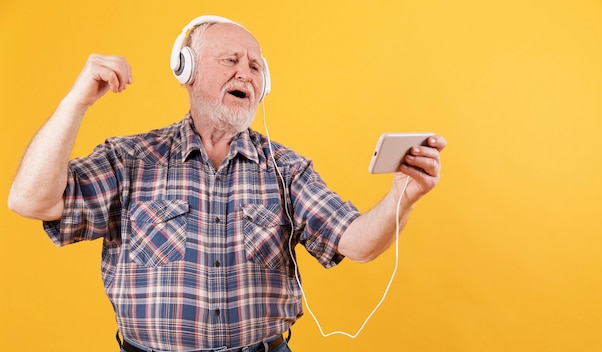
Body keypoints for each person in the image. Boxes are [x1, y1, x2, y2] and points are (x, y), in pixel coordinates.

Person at [8, 15, 446, 352]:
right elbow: (31, 201)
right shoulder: (130, 159)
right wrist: (77, 101)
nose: (246, 74)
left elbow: (358, 243)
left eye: (255, 66)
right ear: (187, 70)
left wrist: (401, 196)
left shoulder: (286, 169)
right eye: (231, 61)